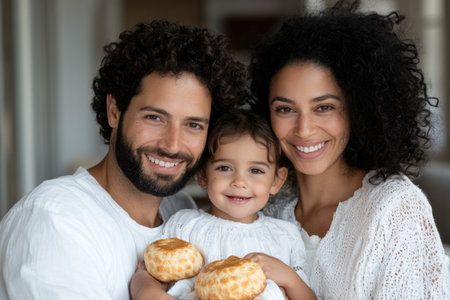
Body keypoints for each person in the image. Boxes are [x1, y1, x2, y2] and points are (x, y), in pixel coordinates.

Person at [0, 20, 249, 299]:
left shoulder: (181, 212)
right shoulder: (55, 220)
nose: (173, 145)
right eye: (155, 118)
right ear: (114, 111)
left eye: (193, 125)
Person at [248, 0, 450, 298]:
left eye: (324, 107)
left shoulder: (393, 209)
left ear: (359, 109)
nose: (304, 130)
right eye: (285, 109)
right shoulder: (263, 210)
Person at [131, 110, 315, 300]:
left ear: (277, 180)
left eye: (256, 170)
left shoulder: (285, 235)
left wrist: (289, 278)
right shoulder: (184, 225)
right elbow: (150, 272)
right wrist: (147, 290)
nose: (240, 182)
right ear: (203, 175)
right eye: (224, 168)